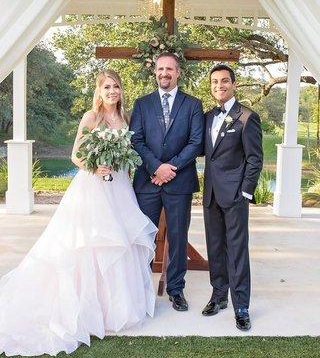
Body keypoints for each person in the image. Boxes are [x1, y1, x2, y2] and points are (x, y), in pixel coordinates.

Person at [0, 70, 157, 356]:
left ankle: (113, 310)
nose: (112, 91)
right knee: (92, 245)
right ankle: (88, 309)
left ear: (122, 90)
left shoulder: (127, 119)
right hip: (94, 187)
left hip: (120, 187)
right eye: (107, 87)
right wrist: (94, 167)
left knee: (121, 244)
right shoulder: (91, 118)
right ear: (99, 91)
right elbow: (76, 154)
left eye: (117, 87)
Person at [130, 52, 204, 312]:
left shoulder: (193, 105)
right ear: (155, 72)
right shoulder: (142, 104)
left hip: (179, 182)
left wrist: (169, 169)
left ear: (178, 72)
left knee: (178, 235)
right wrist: (155, 167)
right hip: (146, 182)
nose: (165, 73)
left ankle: (175, 290)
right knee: (143, 236)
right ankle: (139, 288)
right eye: (161, 69)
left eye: (170, 69)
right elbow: (135, 140)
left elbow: (196, 142)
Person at [202, 64, 263, 331]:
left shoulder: (247, 117)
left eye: (224, 81)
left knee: (237, 252)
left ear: (234, 84)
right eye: (214, 82)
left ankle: (241, 306)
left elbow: (255, 158)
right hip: (211, 195)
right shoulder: (206, 117)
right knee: (215, 248)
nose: (219, 86)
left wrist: (245, 193)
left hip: (235, 196)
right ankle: (218, 296)